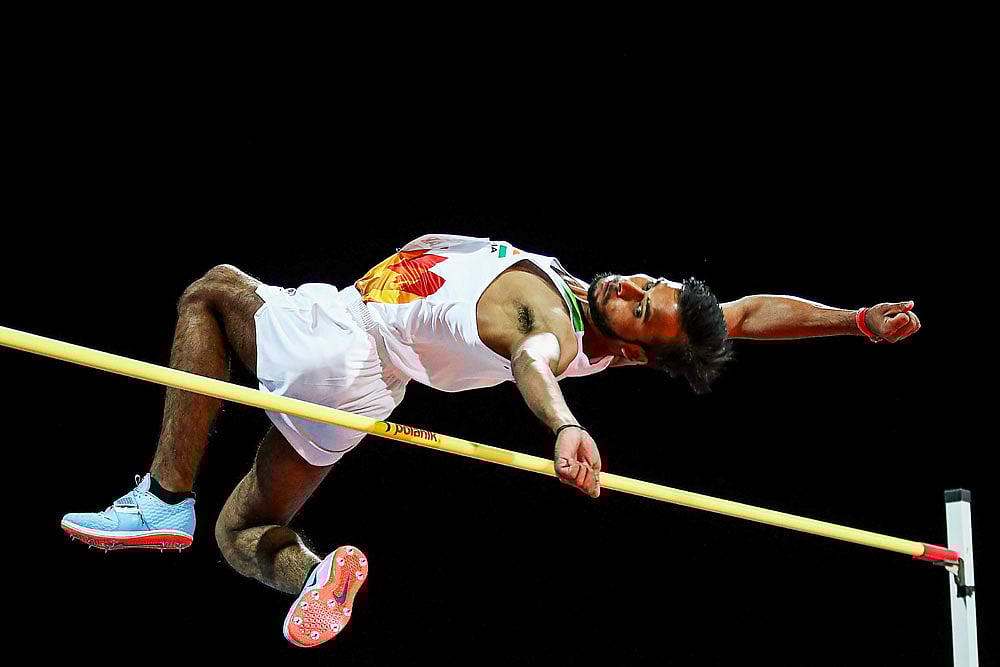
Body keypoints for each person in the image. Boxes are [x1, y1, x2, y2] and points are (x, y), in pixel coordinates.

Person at [61, 233, 920, 647]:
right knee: (243, 535)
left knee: (211, 292)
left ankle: (162, 497)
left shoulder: (552, 323)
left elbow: (535, 366)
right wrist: (854, 323)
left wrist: (567, 426)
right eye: (650, 284)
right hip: (363, 387)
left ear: (627, 350)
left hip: (347, 337)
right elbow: (743, 315)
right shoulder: (600, 313)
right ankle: (318, 573)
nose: (631, 287)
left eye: (638, 308)